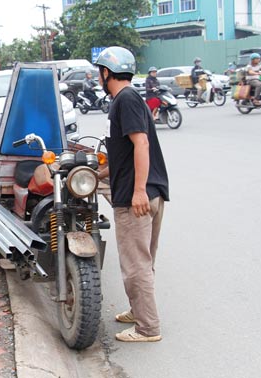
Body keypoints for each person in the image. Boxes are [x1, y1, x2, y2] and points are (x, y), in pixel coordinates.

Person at [94, 46, 169, 343]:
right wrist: (98, 173)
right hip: (148, 192)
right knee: (143, 259)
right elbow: (125, 154)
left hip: (138, 197)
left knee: (135, 264)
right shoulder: (128, 99)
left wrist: (137, 191)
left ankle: (147, 328)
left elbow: (141, 144)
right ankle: (139, 311)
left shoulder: (124, 100)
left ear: (106, 72)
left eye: (99, 71)